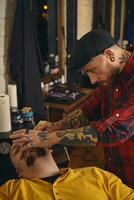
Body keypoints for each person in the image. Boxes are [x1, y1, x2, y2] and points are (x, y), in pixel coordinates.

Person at [10, 29, 134, 188]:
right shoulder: (112, 77)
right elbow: (88, 109)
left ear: (109, 54)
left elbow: (117, 129)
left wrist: (50, 138)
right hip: (116, 173)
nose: (92, 79)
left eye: (92, 70)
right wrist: (56, 125)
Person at [0, 143, 134, 200]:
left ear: (49, 147)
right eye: (17, 150)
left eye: (29, 141)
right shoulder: (12, 189)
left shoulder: (96, 174)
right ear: (18, 171)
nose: (26, 146)